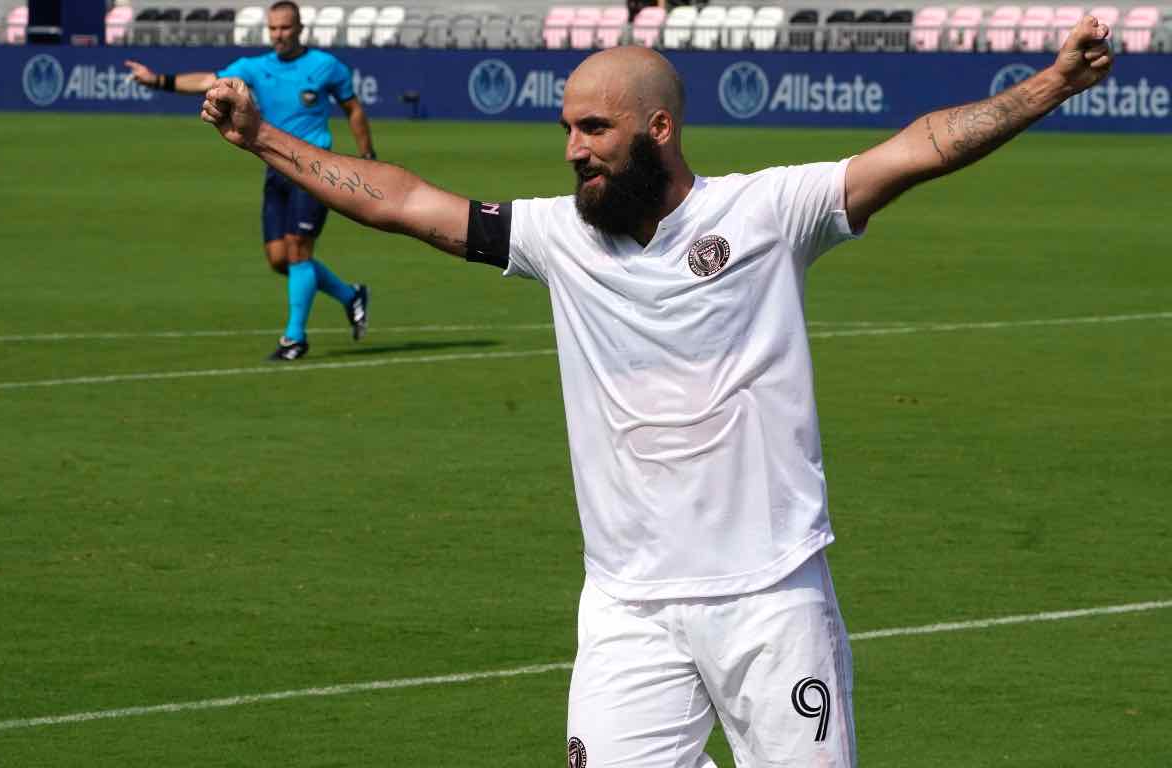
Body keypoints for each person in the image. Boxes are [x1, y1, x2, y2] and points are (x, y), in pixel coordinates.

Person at [201, 19, 1112, 767]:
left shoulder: (768, 210)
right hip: (628, 605)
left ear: (658, 129)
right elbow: (403, 202)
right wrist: (262, 140)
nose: (572, 151)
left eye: (594, 129)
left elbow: (916, 151)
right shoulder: (558, 238)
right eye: (567, 129)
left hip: (771, 596)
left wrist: (1051, 85)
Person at [125, 0, 374, 361]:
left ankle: (294, 338)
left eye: (285, 28)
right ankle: (351, 296)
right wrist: (157, 80)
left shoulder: (326, 66)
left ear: (300, 28)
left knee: (299, 251)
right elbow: (209, 81)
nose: (279, 35)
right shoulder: (254, 67)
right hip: (276, 169)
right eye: (273, 29)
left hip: (316, 169)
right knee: (279, 259)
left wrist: (367, 158)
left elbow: (353, 109)